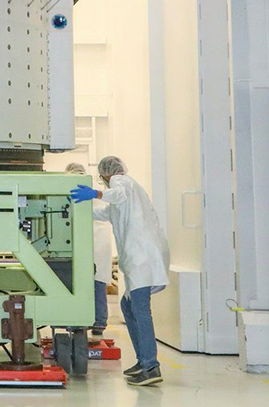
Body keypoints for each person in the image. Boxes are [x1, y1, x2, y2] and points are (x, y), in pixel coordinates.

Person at [70, 156, 170, 387]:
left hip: (143, 257)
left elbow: (117, 194)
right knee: (127, 306)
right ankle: (143, 361)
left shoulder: (122, 182)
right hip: (139, 258)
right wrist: (75, 205)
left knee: (140, 309)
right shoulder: (124, 199)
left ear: (106, 174)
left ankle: (150, 366)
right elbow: (105, 212)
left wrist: (95, 194)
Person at [65, 162, 114, 335]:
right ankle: (99, 322)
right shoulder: (94, 187)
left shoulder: (69, 186)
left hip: (86, 237)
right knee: (98, 282)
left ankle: (78, 322)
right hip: (100, 238)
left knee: (80, 282)